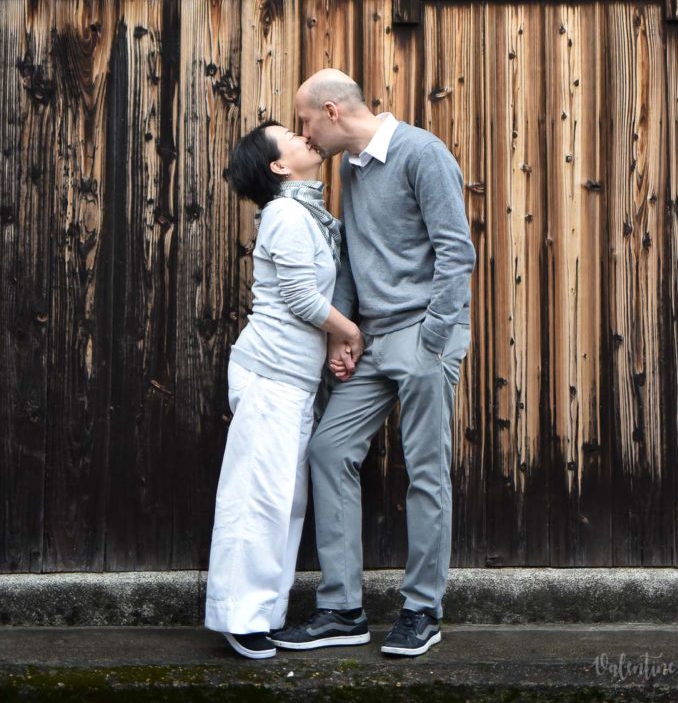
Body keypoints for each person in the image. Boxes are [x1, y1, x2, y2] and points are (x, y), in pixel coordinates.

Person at [272, 70, 476, 659]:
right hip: (374, 338)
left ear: (332, 112)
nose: (305, 134)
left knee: (426, 469)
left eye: (306, 121)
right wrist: (345, 332)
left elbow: (456, 251)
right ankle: (342, 609)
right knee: (329, 449)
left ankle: (422, 610)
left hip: (422, 336)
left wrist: (433, 338)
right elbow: (355, 259)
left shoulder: (421, 153)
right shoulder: (352, 169)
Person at [204, 120, 363, 660]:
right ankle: (240, 617)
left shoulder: (307, 215)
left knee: (284, 503)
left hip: (292, 380)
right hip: (270, 375)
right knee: (257, 500)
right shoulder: (287, 215)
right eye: (291, 137)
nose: (304, 137)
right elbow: (299, 297)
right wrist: (350, 333)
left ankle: (262, 614)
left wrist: (335, 339)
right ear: (278, 166)